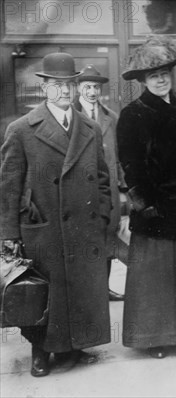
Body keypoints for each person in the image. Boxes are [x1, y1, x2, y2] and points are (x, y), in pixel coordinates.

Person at [0, 52, 112, 377]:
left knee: (77, 291)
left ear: (76, 87)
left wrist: (101, 216)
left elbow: (103, 180)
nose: (64, 91)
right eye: (56, 85)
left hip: (84, 227)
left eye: (69, 84)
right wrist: (9, 235)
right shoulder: (21, 130)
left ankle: (73, 346)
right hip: (43, 228)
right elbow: (8, 189)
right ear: (44, 87)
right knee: (44, 295)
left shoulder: (90, 127)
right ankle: (40, 351)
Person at [117, 36, 176, 358]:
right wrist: (147, 205)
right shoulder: (134, 114)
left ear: (173, 73)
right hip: (157, 209)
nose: (160, 80)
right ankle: (155, 337)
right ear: (143, 80)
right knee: (158, 276)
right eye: (152, 75)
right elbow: (131, 167)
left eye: (164, 73)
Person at [73, 64, 125, 302]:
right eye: (87, 87)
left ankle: (102, 290)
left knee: (107, 239)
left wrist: (123, 189)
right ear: (78, 88)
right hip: (82, 190)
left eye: (95, 87)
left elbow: (120, 155)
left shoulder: (111, 117)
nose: (92, 92)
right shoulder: (71, 116)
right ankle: (85, 293)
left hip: (108, 188)